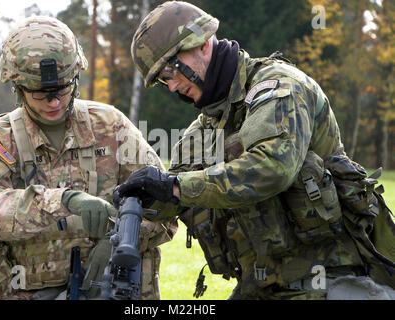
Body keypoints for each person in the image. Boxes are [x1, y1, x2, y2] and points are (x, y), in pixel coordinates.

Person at [117, 1, 395, 299]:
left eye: (171, 70)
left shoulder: (279, 86)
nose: (171, 87)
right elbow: (175, 195)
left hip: (335, 279)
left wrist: (172, 186)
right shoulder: (204, 129)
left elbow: (272, 168)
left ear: (201, 45)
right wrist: (140, 197)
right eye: (163, 80)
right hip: (263, 286)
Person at [0, 15, 177, 300]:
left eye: (63, 88)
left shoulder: (111, 125)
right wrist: (61, 201)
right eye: (41, 92)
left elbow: (164, 203)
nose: (54, 101)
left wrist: (121, 241)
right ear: (18, 87)